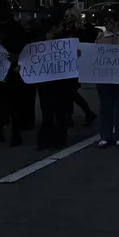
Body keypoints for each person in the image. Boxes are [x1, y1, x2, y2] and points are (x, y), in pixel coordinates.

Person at [0, 0, 30, 147]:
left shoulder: (16, 28)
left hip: (12, 73)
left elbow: (26, 48)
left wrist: (17, 57)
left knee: (14, 105)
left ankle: (16, 134)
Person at [36, 8, 77, 150]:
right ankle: (45, 139)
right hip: (46, 81)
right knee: (48, 112)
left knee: (59, 111)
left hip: (61, 81)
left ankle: (58, 139)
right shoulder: (41, 39)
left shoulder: (66, 37)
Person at [95, 10, 119, 148]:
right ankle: (105, 135)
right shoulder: (101, 37)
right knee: (105, 107)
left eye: (107, 22)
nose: (105, 25)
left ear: (116, 22)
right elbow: (94, 54)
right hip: (104, 77)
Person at [65, 8, 97, 126]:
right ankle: (71, 116)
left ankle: (87, 113)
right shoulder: (66, 30)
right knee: (69, 92)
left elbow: (85, 45)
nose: (66, 18)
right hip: (67, 64)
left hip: (76, 65)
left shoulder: (80, 31)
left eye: (68, 16)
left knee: (70, 92)